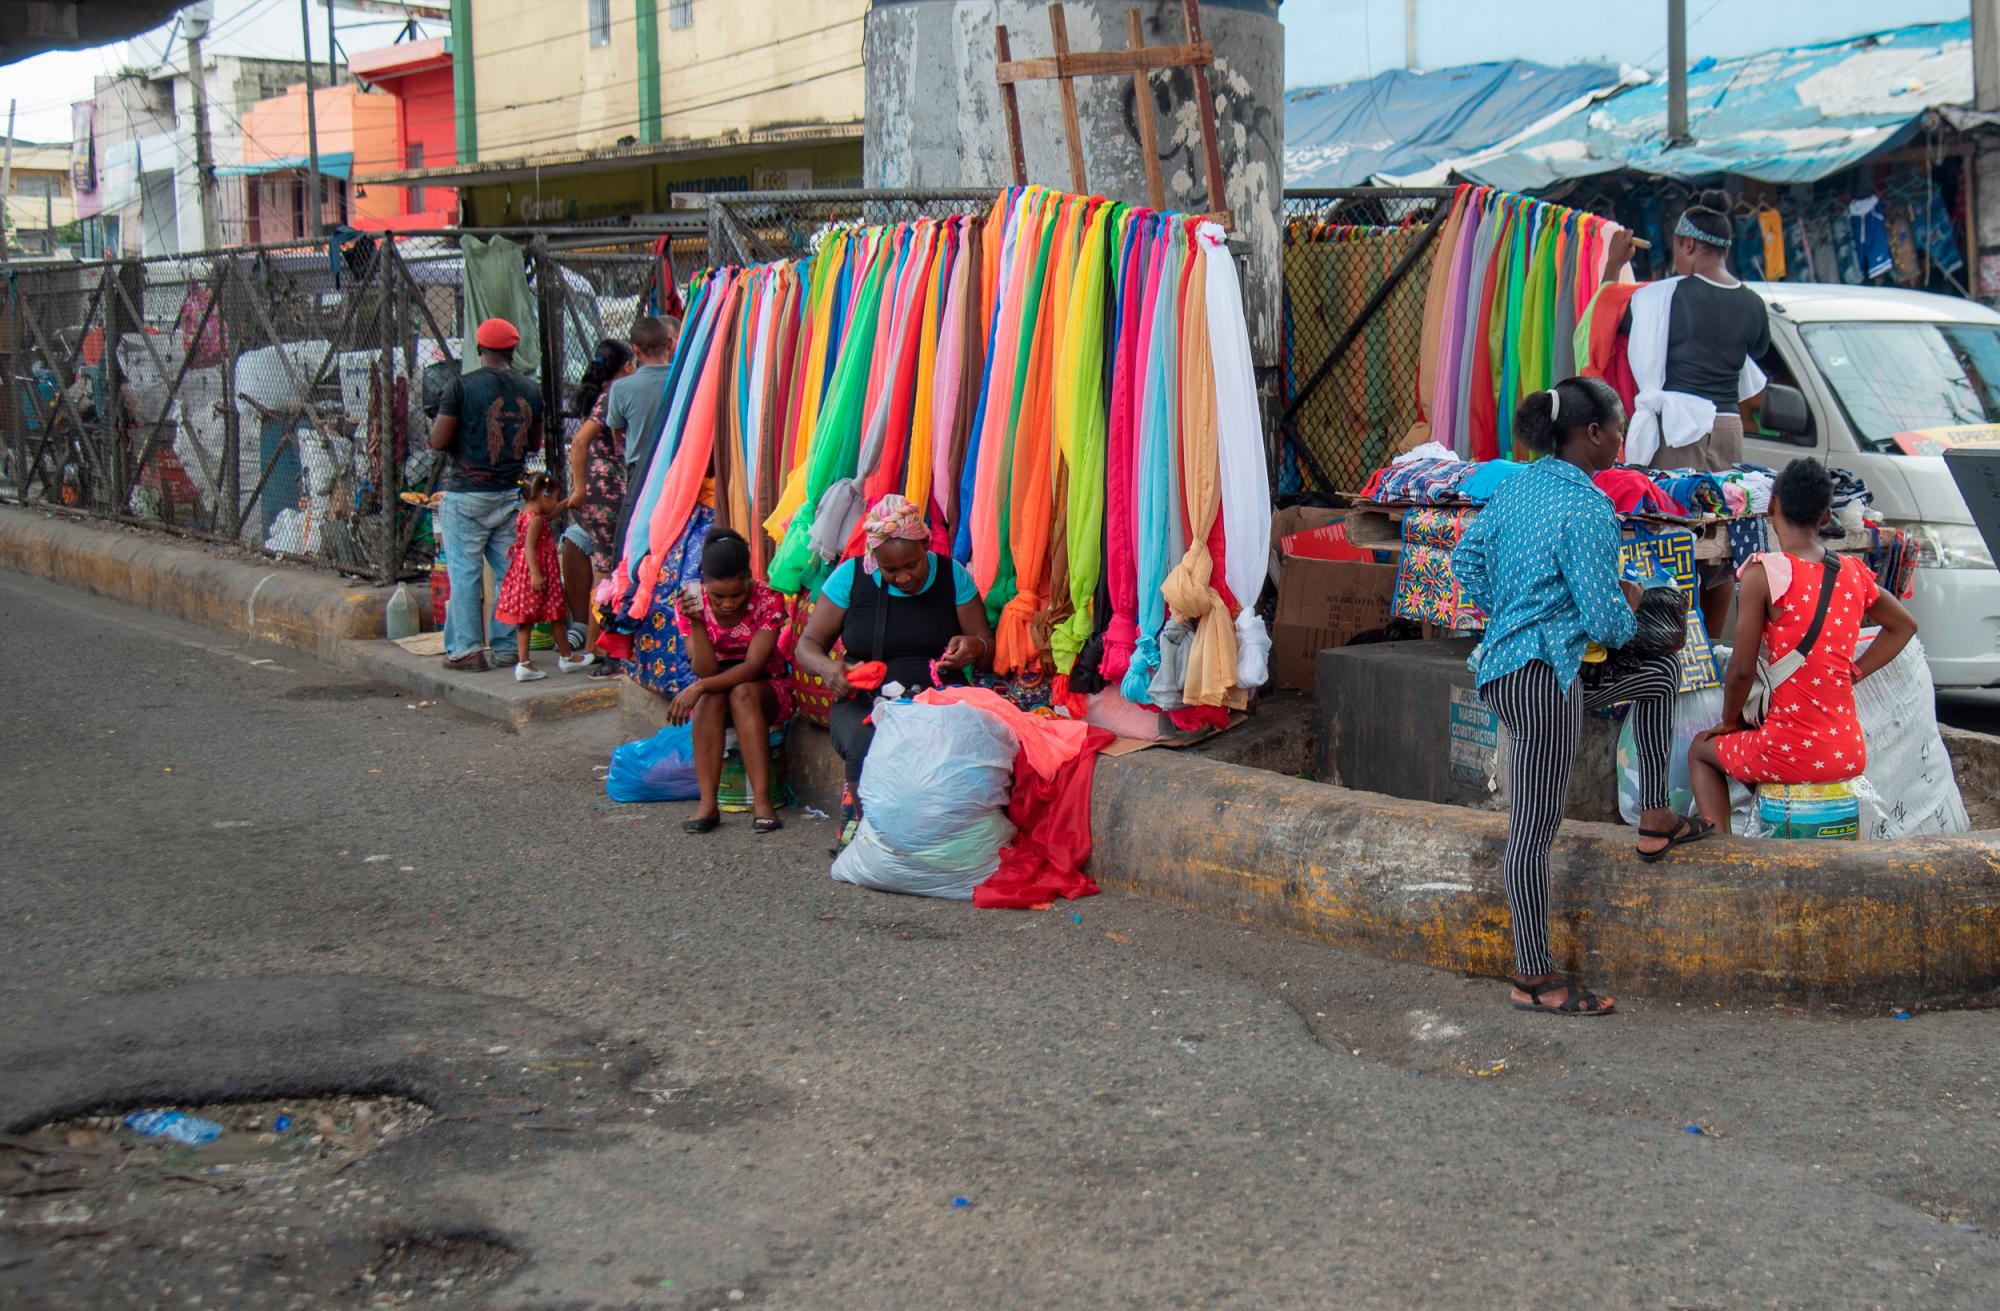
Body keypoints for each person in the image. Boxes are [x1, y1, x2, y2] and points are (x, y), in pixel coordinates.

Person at [1452, 376, 1710, 1018]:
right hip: (1541, 676)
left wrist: (1510, 611)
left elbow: (1464, 562)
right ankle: (1532, 976)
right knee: (1533, 830)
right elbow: (1606, 624)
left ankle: (1655, 816)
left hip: (1532, 667)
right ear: (1591, 434)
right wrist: (1628, 602)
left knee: (1657, 680)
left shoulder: (1516, 486)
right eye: (1618, 430)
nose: (1622, 441)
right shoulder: (1589, 508)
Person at [1687, 458, 1918, 826]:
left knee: (1701, 749)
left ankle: (1724, 858)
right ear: (1826, 518)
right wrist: (1853, 672)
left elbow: (1742, 670)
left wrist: (1729, 722)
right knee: (1756, 746)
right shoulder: (1854, 572)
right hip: (1848, 751)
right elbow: (1904, 626)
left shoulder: (1763, 574)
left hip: (1792, 751)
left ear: (1773, 506)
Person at [1605, 192, 1772, 637]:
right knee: (1721, 537)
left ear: (1689, 245)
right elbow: (1755, 354)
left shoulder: (1662, 297)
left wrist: (1612, 263)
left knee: (1668, 537)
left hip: (1679, 434)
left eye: (1678, 247)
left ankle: (1670, 643)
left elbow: (1606, 315)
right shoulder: (1753, 304)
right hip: (1728, 430)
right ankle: (1711, 642)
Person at [794, 494, 994, 846]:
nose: (903, 577)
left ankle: (936, 836)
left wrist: (973, 647)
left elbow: (985, 645)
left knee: (954, 740)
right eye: (891, 570)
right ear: (875, 559)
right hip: (864, 700)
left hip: (936, 699)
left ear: (926, 545)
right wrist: (829, 669)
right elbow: (806, 646)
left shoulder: (952, 576)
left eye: (911, 566)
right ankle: (859, 827)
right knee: (864, 740)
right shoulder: (850, 578)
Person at [427, 317, 545, 672]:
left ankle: (466, 651)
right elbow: (534, 442)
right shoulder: (530, 389)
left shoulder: (461, 387)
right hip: (510, 492)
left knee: (465, 573)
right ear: (512, 351)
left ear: (479, 350)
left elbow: (439, 440)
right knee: (510, 571)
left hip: (467, 493)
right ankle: (508, 648)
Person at [666, 528, 794, 835]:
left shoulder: (768, 600)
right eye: (718, 596)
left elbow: (753, 666)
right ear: (705, 584)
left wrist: (698, 688)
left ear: (749, 579)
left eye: (737, 594)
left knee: (741, 693)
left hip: (766, 686)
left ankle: (761, 803)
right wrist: (697, 623)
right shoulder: (689, 603)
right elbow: (706, 671)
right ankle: (708, 804)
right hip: (717, 686)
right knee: (713, 698)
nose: (727, 604)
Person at [564, 338, 636, 673]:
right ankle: (598, 647)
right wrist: (580, 489)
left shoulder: (598, 393)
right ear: (625, 366)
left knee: (602, 568)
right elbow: (579, 441)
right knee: (606, 571)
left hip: (597, 493)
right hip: (604, 493)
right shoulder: (612, 394)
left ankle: (594, 645)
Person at [495, 472, 594, 682]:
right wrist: (537, 575)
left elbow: (550, 514)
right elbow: (530, 548)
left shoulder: (526, 514)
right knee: (555, 615)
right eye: (555, 498)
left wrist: (567, 502)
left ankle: (525, 664)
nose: (555, 502)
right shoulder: (536, 521)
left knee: (527, 620)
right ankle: (566, 657)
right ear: (543, 496)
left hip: (524, 574)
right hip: (538, 574)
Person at [602, 316, 679, 485]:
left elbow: (617, 432)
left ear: (635, 350)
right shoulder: (684, 379)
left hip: (640, 469)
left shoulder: (621, 388)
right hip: (678, 465)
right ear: (669, 344)